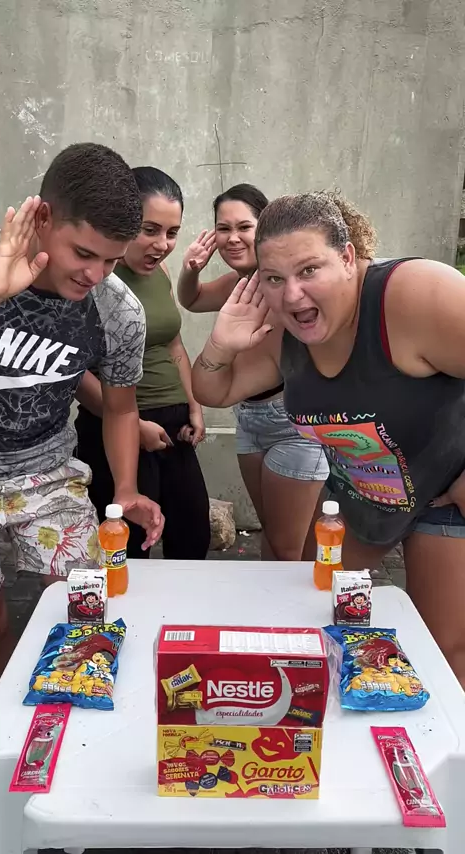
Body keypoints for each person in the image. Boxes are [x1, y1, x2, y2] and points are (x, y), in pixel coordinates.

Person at [192, 190, 465, 687]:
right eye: (274, 278)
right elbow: (215, 389)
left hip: (443, 494)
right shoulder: (284, 330)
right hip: (362, 497)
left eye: (309, 270)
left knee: (438, 651)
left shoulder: (412, 294)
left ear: (347, 257)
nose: (293, 295)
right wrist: (220, 343)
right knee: (313, 615)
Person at [0, 143, 164, 688]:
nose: (95, 273)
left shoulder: (116, 308)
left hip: (47, 471)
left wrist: (126, 488)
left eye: (110, 260)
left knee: (83, 616)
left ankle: (66, 718)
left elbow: (120, 406)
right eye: (83, 253)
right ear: (43, 218)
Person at [178, 184, 328, 561]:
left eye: (244, 227)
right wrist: (190, 270)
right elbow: (191, 299)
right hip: (248, 418)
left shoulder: (286, 286)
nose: (232, 238)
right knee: (275, 537)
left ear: (265, 227)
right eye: (223, 228)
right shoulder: (238, 284)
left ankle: (301, 598)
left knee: (288, 546)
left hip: (290, 422)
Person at [76, 167, 210, 559]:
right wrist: (134, 427)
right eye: (149, 230)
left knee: (192, 536)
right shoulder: (92, 277)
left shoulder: (161, 272)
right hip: (115, 423)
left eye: (172, 232)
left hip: (173, 426)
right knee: (129, 549)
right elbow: (74, 373)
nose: (162, 245)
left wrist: (195, 405)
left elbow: (173, 344)